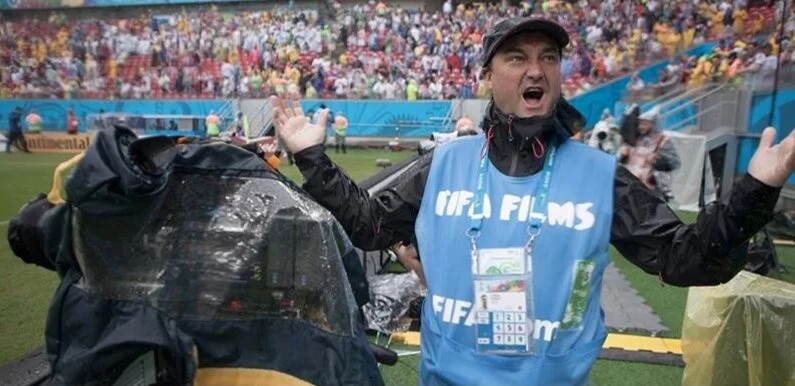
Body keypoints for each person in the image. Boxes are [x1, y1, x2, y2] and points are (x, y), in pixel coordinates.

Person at [271, 17, 795, 386]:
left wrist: (754, 192)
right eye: (517, 57)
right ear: (488, 75)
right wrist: (312, 158)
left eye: (549, 58)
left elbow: (687, 260)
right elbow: (369, 227)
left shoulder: (598, 174)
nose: (535, 70)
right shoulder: (446, 163)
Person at [618, 107, 680, 201]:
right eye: (640, 123)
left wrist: (656, 161)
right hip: (631, 186)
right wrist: (624, 156)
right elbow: (627, 162)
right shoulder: (636, 139)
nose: (641, 127)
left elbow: (674, 163)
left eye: (645, 124)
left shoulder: (663, 140)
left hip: (651, 188)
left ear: (653, 124)